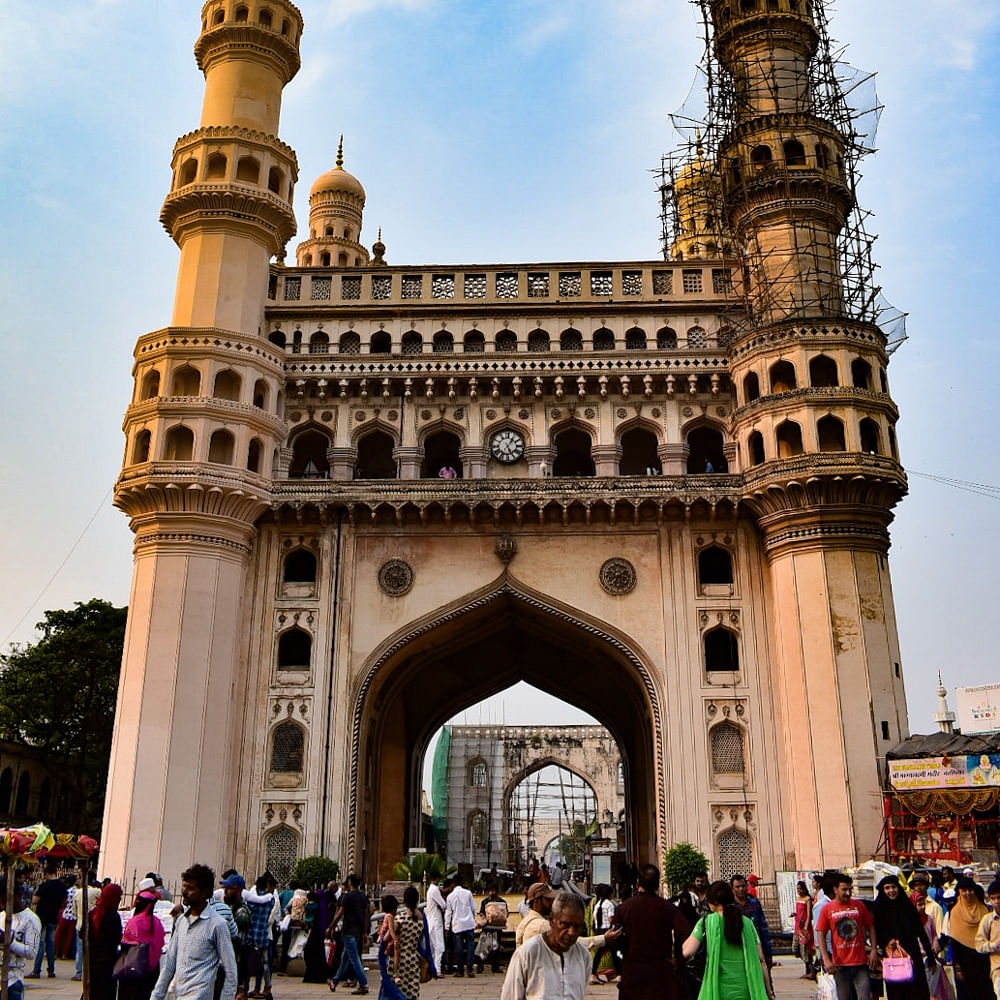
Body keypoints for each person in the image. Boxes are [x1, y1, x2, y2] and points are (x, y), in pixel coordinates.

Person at [151, 864, 238, 1000]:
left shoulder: (217, 925)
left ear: (205, 892)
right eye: (184, 886)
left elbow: (231, 971)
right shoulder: (181, 922)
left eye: (191, 888)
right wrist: (156, 996)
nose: (185, 892)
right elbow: (169, 964)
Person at [682, 880, 772, 1000]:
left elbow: (687, 952)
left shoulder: (706, 923)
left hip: (719, 991)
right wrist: (768, 992)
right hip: (746, 991)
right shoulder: (746, 923)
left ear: (712, 902)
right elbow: (761, 961)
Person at [613, 863, 689, 1000]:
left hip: (632, 974)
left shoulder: (623, 908)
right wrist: (678, 960)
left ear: (638, 884)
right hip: (661, 974)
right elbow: (687, 932)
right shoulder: (667, 908)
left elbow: (614, 939)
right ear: (658, 885)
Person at [501, 892, 592, 1000]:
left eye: (577, 926)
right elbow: (511, 996)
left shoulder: (583, 955)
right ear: (552, 921)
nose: (571, 932)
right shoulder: (528, 953)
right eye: (565, 925)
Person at [814, 872, 878, 1000]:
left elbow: (870, 926)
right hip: (840, 965)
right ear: (835, 889)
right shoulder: (826, 909)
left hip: (860, 963)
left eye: (850, 889)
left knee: (864, 996)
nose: (848, 893)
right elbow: (820, 934)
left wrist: (873, 950)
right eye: (844, 889)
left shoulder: (859, 906)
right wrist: (826, 959)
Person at [873, 875, 934, 1000]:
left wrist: (931, 958)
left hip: (913, 956)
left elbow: (921, 933)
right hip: (892, 958)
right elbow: (875, 933)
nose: (891, 891)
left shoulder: (908, 907)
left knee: (917, 992)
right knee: (896, 993)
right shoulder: (878, 910)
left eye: (894, 887)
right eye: (887, 888)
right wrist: (885, 941)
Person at [941, 875, 990, 999]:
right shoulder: (955, 913)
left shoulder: (985, 910)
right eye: (964, 891)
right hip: (963, 964)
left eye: (970, 890)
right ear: (959, 892)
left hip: (983, 962)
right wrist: (958, 969)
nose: (968, 893)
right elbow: (954, 942)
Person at [380, 887, 429, 1000]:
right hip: (413, 961)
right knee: (412, 993)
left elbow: (386, 938)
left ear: (404, 901)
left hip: (399, 961)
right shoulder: (422, 919)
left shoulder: (400, 918)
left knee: (397, 993)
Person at [119, 890, 167, 1000]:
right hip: (152, 970)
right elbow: (160, 943)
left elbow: (126, 946)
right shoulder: (157, 922)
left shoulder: (134, 922)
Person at [328, 873, 370, 994]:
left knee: (354, 958)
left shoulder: (347, 897)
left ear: (350, 883)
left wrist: (331, 927)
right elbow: (366, 914)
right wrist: (364, 931)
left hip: (349, 931)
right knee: (345, 958)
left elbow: (340, 913)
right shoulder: (363, 896)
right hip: (357, 931)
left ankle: (363, 984)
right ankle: (334, 981)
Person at [0, 874, 40, 1000]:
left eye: (3, 900)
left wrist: (9, 942)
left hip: (13, 979)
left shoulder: (31, 920)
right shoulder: (1, 915)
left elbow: (31, 952)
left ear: (15, 896)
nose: (2, 905)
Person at [26, 861, 67, 979]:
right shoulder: (61, 886)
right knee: (51, 944)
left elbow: (34, 900)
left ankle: (36, 970)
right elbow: (64, 902)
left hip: (42, 917)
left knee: (40, 944)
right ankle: (51, 970)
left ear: (48, 874)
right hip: (54, 917)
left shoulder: (44, 886)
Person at [731, 875, 773, 981]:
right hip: (738, 949)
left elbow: (763, 927)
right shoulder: (730, 906)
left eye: (743, 886)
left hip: (756, 946)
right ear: (732, 888)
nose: (741, 889)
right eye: (737, 887)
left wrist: (768, 953)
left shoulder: (754, 902)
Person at [89, 882, 124, 1000]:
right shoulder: (113, 917)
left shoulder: (92, 914)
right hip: (108, 962)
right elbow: (117, 938)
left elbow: (83, 934)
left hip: (92, 960)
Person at [244, 875, 277, 1000]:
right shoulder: (270, 900)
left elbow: (248, 908)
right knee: (264, 964)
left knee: (247, 963)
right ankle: (267, 987)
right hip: (263, 935)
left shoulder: (253, 900)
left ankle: (245, 988)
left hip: (252, 936)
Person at [444, 874, 477, 977]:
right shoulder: (468, 893)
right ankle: (470, 969)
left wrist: (446, 927)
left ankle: (460, 970)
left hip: (457, 925)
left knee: (459, 948)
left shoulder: (450, 896)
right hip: (469, 924)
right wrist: (472, 918)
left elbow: (448, 913)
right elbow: (473, 908)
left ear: (453, 883)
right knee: (470, 947)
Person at [588, 883, 621, 985]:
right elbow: (611, 919)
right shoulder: (609, 904)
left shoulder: (597, 904)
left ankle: (593, 974)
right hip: (608, 931)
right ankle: (619, 974)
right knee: (615, 952)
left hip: (599, 931)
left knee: (599, 953)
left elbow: (594, 919)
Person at [73, 872, 102, 981]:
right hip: (93, 924)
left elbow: (74, 911)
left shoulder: (77, 893)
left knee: (80, 950)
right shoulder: (97, 892)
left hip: (80, 923)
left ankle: (79, 972)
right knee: (92, 949)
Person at [975, 878, 1000, 999]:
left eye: (999, 898)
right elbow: (979, 946)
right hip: (998, 968)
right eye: (993, 898)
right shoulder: (987, 920)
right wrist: (994, 945)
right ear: (989, 900)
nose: (997, 902)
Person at [477, 883, 509, 973]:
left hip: (497, 928)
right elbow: (481, 913)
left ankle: (495, 967)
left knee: (496, 948)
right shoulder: (485, 902)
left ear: (497, 891)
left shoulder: (502, 902)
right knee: (483, 947)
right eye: (490, 891)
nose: (492, 892)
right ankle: (480, 966)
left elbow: (506, 914)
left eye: (493, 890)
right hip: (487, 928)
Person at [424, 874, 446, 978]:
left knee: (433, 947)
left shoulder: (430, 890)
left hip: (431, 920)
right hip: (435, 920)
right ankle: (437, 969)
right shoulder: (434, 890)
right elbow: (443, 904)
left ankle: (432, 968)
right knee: (439, 946)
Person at [793, 879, 815, 979]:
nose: (799, 891)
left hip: (804, 928)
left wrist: (806, 926)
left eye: (800, 889)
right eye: (797, 889)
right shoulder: (798, 899)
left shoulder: (807, 899)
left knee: (805, 950)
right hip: (797, 927)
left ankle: (810, 970)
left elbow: (809, 914)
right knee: (796, 948)